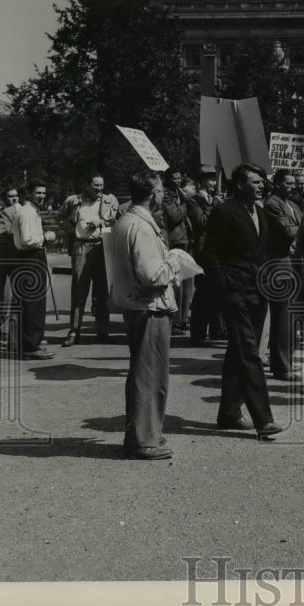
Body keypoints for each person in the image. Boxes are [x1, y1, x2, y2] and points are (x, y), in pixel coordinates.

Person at [201, 164, 282, 438]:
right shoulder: (224, 211)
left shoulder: (259, 211)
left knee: (238, 353)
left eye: (262, 181)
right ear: (239, 185)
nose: (260, 186)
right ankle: (264, 419)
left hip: (257, 290)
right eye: (254, 182)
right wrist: (225, 288)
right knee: (249, 352)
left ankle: (228, 412)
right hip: (235, 292)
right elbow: (210, 254)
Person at [107, 171, 181, 460]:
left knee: (142, 373)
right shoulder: (141, 226)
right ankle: (144, 440)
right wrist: (174, 261)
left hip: (136, 306)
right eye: (161, 190)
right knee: (150, 376)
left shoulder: (127, 221)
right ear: (153, 194)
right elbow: (152, 275)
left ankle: (143, 433)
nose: (163, 194)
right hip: (149, 307)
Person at [56, 173, 119, 346]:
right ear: (87, 185)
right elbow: (59, 216)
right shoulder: (73, 200)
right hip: (81, 247)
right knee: (79, 290)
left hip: (101, 246)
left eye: (101, 185)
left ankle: (103, 332)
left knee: (102, 291)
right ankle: (74, 333)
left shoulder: (110, 200)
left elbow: (117, 219)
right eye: (95, 185)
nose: (99, 189)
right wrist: (72, 229)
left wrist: (101, 222)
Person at [263, 169, 303, 382]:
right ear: (277, 183)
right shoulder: (273, 204)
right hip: (278, 265)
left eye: (294, 183)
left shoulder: (293, 205)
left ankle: (286, 362)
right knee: (282, 319)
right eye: (288, 183)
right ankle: (281, 367)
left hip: (293, 266)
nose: (292, 186)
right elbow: (287, 231)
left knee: (290, 319)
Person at [10, 180, 57, 360]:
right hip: (30, 258)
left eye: (44, 193)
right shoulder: (28, 213)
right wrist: (46, 237)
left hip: (26, 259)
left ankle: (27, 343)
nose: (42, 196)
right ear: (29, 194)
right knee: (33, 304)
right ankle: (31, 346)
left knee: (28, 303)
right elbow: (29, 240)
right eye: (38, 193)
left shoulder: (27, 211)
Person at [186, 165, 220, 346]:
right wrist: (215, 206)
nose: (215, 183)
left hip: (217, 248)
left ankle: (216, 330)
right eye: (211, 179)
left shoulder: (215, 199)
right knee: (203, 293)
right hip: (203, 250)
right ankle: (198, 334)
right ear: (202, 182)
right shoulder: (194, 201)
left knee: (216, 291)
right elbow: (202, 222)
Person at [160, 168, 194, 335]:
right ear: (168, 180)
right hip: (175, 241)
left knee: (187, 283)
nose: (179, 181)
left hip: (186, 240)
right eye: (175, 178)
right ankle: (175, 321)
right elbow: (174, 216)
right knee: (176, 284)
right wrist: (185, 201)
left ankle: (183, 318)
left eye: (180, 177)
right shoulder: (166, 196)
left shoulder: (178, 193)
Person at [0, 186, 21, 343]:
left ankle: (6, 329)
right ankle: (3, 328)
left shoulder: (23, 212)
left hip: (19, 258)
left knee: (18, 295)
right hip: (2, 259)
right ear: (4, 199)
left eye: (16, 196)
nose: (14, 199)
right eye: (10, 196)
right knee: (6, 294)